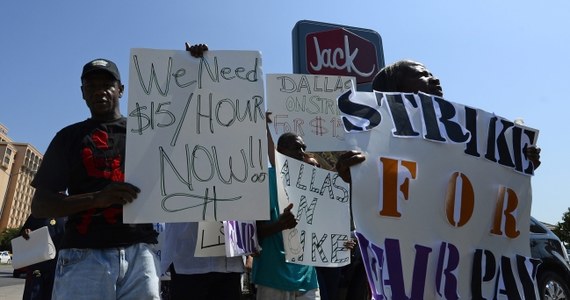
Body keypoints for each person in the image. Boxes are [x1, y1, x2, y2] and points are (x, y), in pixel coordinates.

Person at [30, 57, 163, 299]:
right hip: (84, 254)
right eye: (91, 86)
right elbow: (40, 205)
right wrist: (96, 198)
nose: (100, 91)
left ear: (120, 90)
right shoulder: (68, 137)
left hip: (139, 253)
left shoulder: (145, 133)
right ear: (82, 93)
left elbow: (191, 134)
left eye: (107, 85)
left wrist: (197, 67)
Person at [336, 59, 541, 182]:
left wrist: (518, 165)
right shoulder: (372, 141)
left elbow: (484, 186)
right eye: (421, 75)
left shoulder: (463, 134)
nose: (434, 79)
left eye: (431, 73)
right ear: (393, 89)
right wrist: (352, 178)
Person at [251, 131, 320, 300]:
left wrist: (340, 244)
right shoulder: (262, 181)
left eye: (303, 148)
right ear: (280, 150)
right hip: (274, 277)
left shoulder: (312, 184)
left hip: (307, 278)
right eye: (296, 148)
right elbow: (251, 234)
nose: (302, 153)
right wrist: (279, 225)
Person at [19, 214, 66, 300]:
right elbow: (22, 234)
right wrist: (25, 233)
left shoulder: (68, 214)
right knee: (33, 294)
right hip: (37, 265)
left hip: (59, 267)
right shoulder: (37, 214)